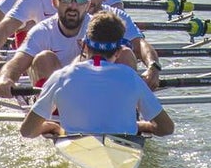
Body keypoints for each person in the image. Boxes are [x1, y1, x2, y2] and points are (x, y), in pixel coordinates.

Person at [19, 10, 174, 139]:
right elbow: (167, 128)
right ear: (119, 52)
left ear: (84, 46)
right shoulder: (131, 76)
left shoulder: (61, 77)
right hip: (122, 146)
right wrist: (141, 125)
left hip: (77, 146)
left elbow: (27, 131)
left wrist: (51, 126)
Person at [0, 0, 94, 97]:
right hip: (54, 101)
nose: (73, 5)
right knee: (45, 58)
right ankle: (51, 109)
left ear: (88, 5)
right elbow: (17, 62)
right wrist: (5, 78)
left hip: (86, 94)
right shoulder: (42, 31)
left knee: (113, 56)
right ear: (55, 2)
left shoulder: (98, 29)